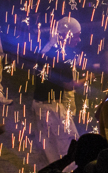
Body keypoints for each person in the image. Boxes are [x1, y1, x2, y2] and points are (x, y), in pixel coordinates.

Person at [32, 16, 85, 164]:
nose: (78, 40)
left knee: (50, 154)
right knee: (71, 148)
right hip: (52, 108)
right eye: (76, 36)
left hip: (40, 105)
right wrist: (88, 78)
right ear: (66, 35)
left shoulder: (48, 47)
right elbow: (69, 85)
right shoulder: (61, 55)